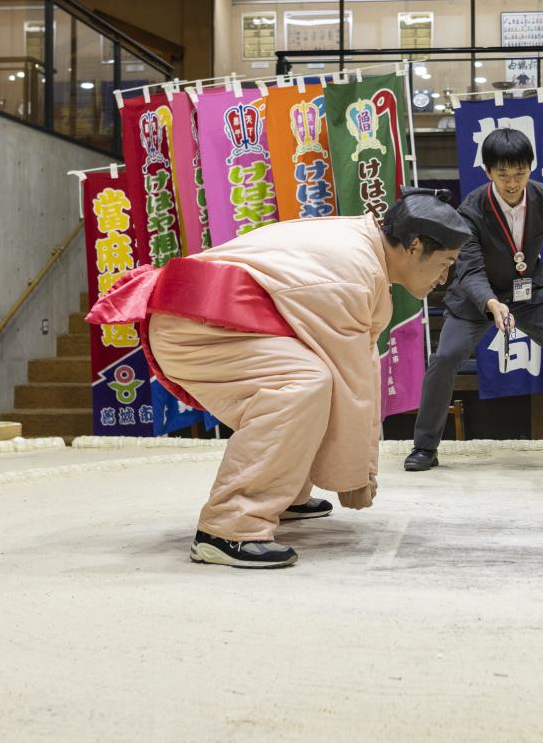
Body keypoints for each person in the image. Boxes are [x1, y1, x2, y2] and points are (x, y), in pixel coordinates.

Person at [89, 187, 468, 569]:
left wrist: (358, 469)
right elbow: (353, 384)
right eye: (445, 262)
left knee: (314, 377)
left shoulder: (363, 252)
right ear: (415, 246)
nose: (445, 276)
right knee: (302, 384)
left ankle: (284, 494)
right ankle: (228, 526)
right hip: (197, 324)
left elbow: (358, 371)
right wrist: (357, 476)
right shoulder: (355, 271)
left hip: (221, 321)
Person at [405, 127, 543, 473]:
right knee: (446, 356)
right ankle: (424, 446)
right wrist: (491, 304)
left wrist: (517, 289)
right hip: (476, 299)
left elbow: (525, 254)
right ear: (488, 172)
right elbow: (470, 269)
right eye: (503, 174)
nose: (512, 183)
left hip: (528, 292)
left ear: (531, 168)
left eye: (520, 173)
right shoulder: (471, 211)